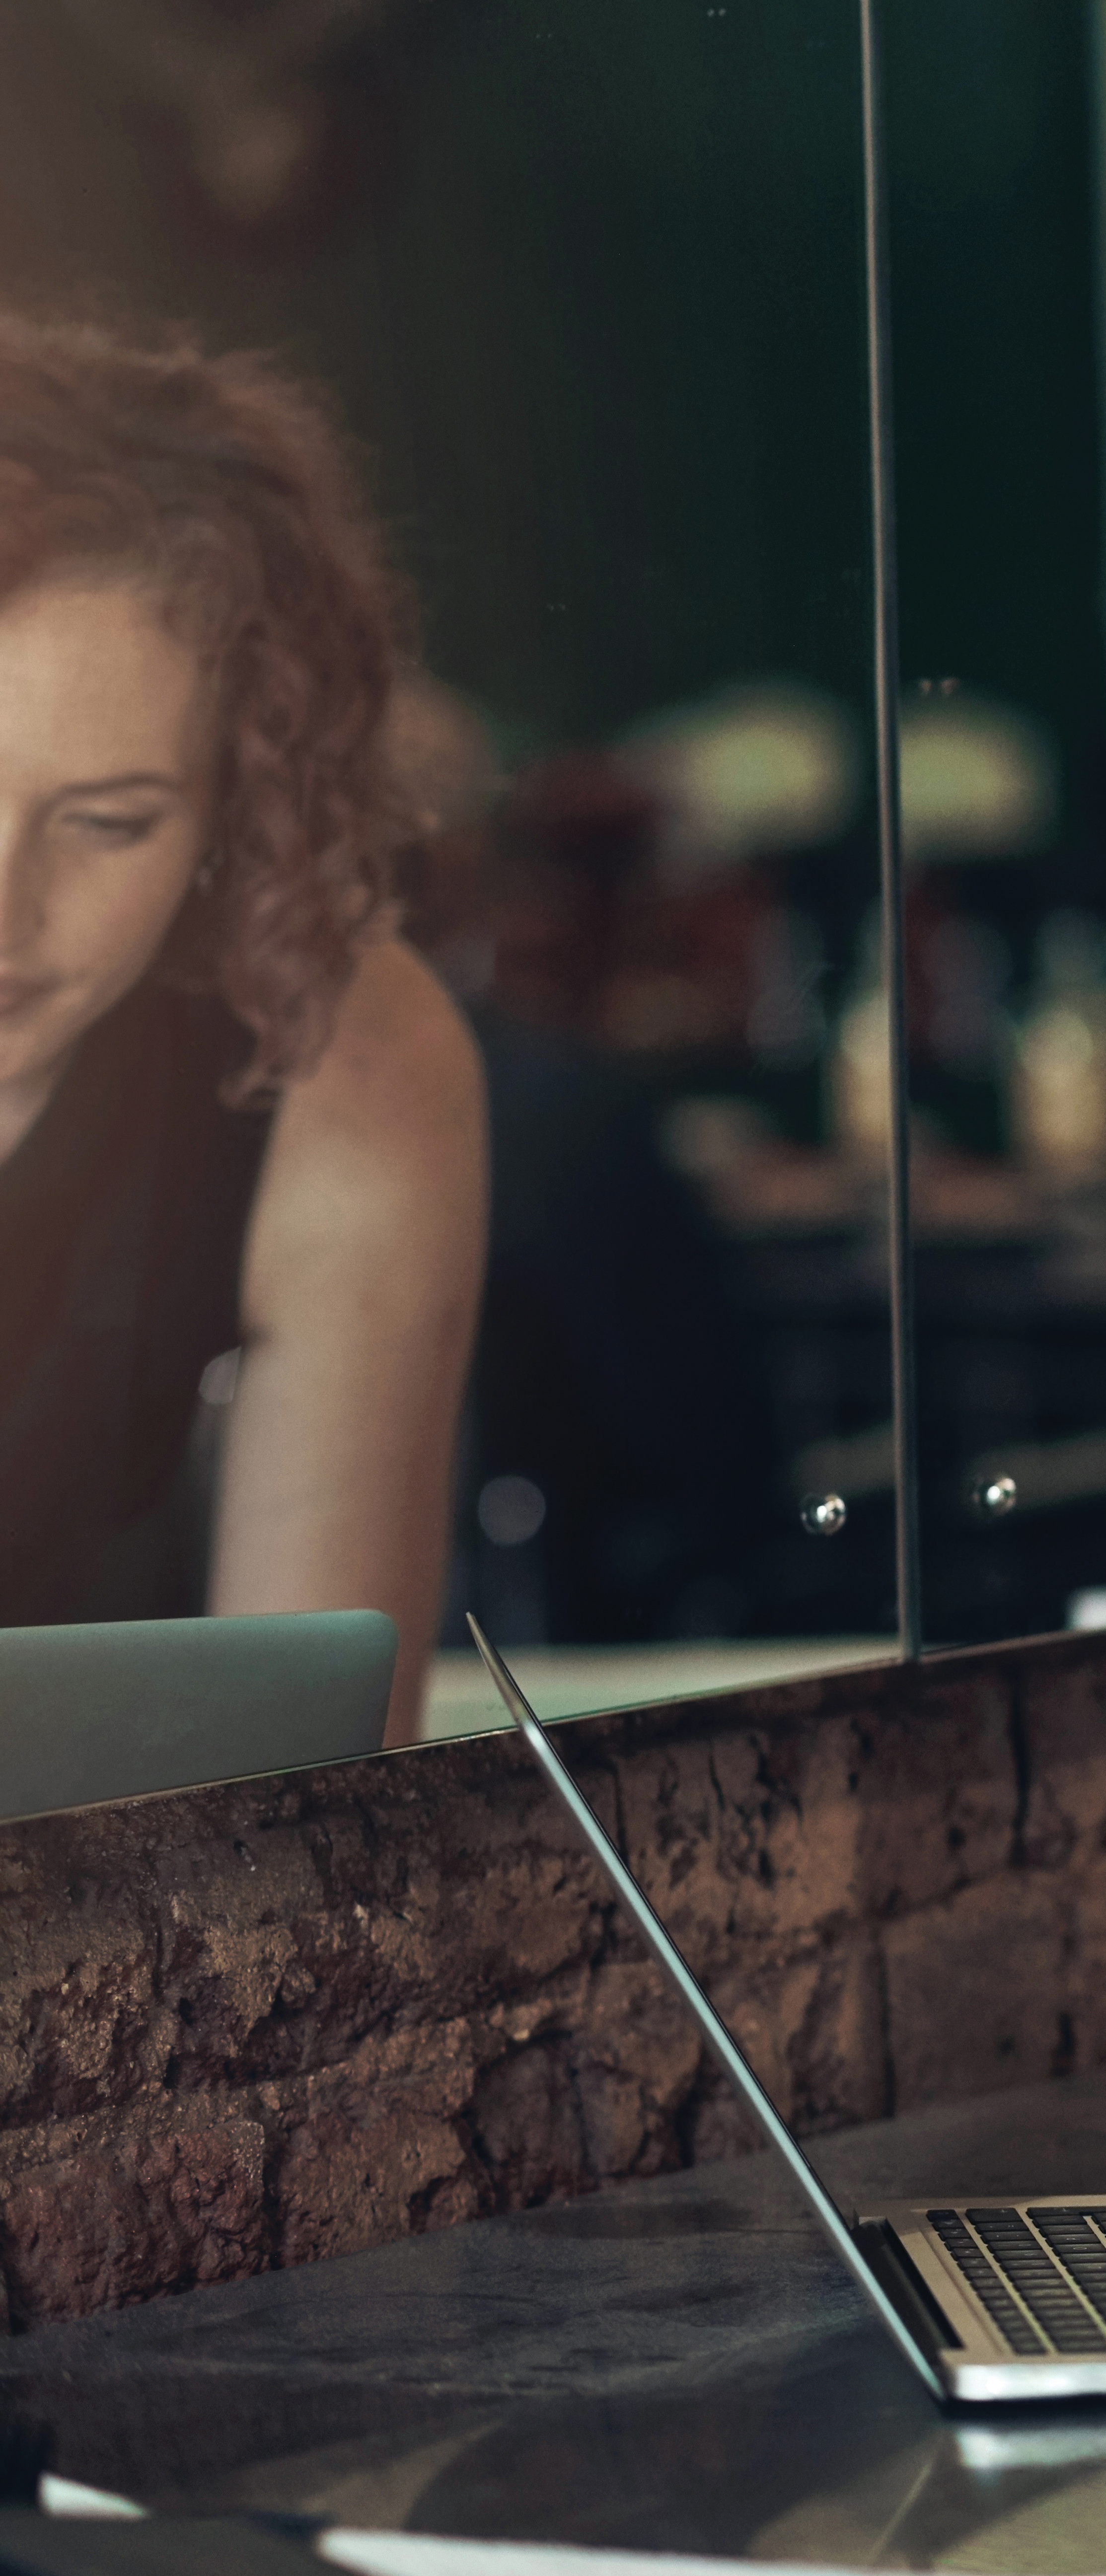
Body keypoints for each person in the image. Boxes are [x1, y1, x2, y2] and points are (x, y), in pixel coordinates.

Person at [0, 315, 484, 1741]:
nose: (5, 913)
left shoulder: (341, 1051)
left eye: (108, 824)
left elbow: (322, 1805)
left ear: (235, 816)